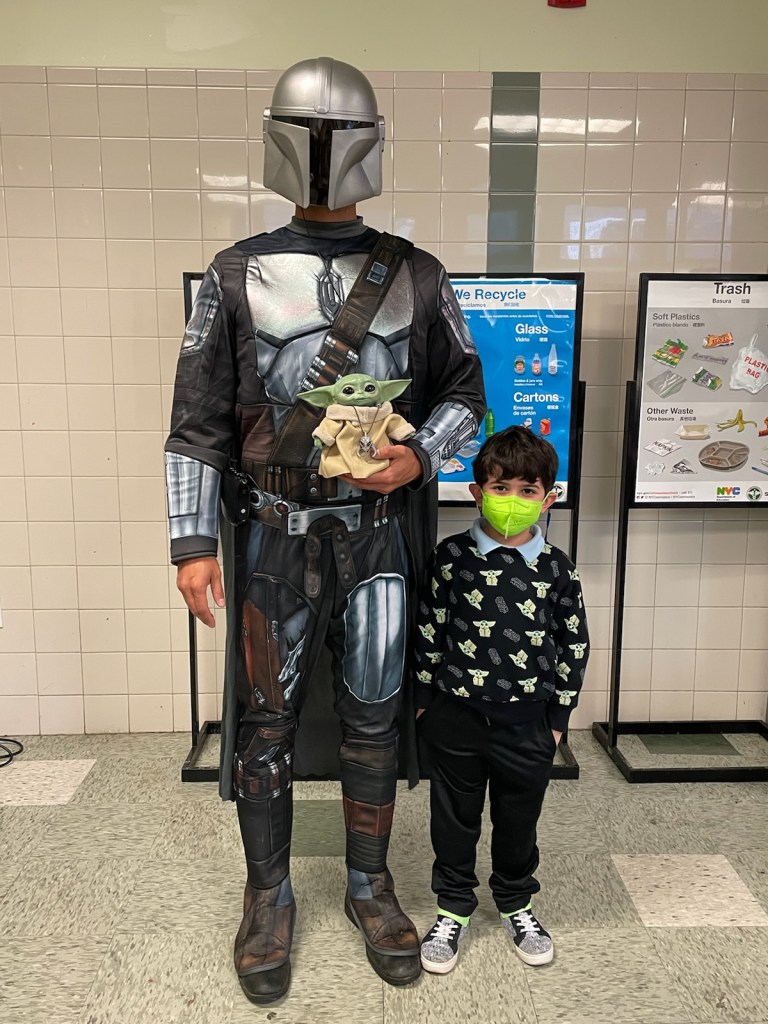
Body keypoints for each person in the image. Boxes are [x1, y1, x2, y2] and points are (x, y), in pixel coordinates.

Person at [164, 56, 485, 1005]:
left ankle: (368, 885)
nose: (323, 154)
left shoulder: (417, 274)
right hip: (272, 537)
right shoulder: (232, 274)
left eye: (336, 137)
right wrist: (191, 544)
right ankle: (268, 897)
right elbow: (197, 424)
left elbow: (466, 395)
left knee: (375, 719)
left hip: (376, 536)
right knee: (263, 723)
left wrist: (418, 458)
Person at [413, 426, 588, 974]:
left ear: (547, 498)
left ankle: (516, 903)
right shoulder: (451, 557)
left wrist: (557, 720)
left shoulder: (557, 568)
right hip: (455, 717)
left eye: (527, 490)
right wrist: (424, 703)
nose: (513, 499)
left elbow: (574, 643)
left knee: (518, 820)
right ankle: (452, 907)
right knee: (454, 819)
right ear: (477, 491)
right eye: (501, 487)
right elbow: (429, 629)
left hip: (528, 725)